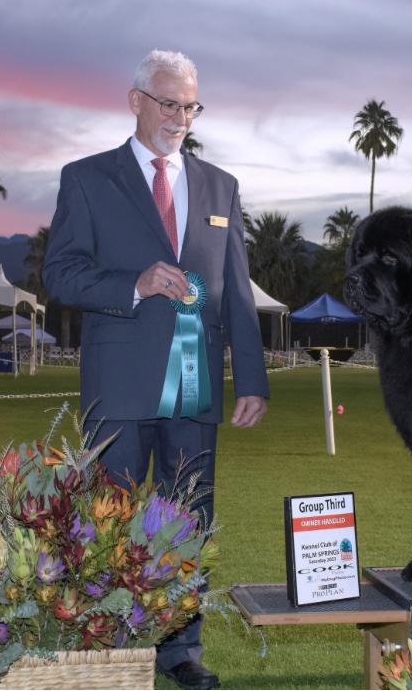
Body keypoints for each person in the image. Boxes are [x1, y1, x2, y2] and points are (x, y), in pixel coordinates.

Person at [43, 49, 268, 690]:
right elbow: (60, 274)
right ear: (136, 101)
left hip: (195, 389)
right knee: (107, 519)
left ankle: (179, 650)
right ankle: (108, 646)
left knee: (187, 518)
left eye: (191, 106)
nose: (180, 117)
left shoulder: (221, 186)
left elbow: (235, 290)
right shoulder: (87, 178)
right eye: (168, 103)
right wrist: (133, 285)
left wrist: (251, 379)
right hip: (117, 387)